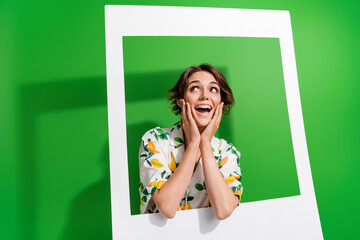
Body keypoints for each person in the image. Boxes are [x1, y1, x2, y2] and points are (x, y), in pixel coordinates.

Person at [138, 64, 242, 220]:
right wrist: (194, 144)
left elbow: (224, 210)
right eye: (194, 88)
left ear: (220, 103)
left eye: (213, 89)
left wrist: (205, 144)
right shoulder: (155, 140)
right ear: (181, 101)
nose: (205, 96)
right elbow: (167, 207)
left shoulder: (227, 152)